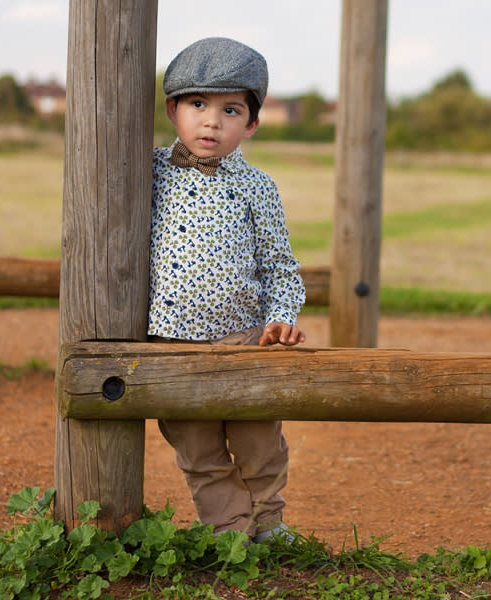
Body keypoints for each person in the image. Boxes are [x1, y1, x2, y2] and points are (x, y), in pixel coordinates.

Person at [148, 37, 306, 544]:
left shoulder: (257, 186)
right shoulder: (145, 172)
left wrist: (282, 314)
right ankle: (231, 535)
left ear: (252, 122)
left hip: (245, 339)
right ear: (173, 109)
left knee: (259, 441)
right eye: (197, 104)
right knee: (198, 450)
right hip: (170, 343)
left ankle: (269, 526)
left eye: (230, 109)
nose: (211, 122)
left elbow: (281, 265)